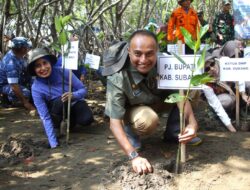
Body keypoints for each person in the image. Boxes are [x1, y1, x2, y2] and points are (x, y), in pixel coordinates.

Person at [103, 30, 200, 175]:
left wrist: (192, 123)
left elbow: (180, 95)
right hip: (135, 110)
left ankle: (175, 133)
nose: (143, 60)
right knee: (147, 120)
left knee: (190, 89)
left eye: (149, 54)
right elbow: (114, 122)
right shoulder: (119, 76)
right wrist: (134, 156)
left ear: (157, 51)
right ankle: (131, 136)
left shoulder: (165, 64)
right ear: (129, 52)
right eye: (137, 54)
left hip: (157, 101)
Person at [28, 48, 94, 148]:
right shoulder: (36, 88)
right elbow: (44, 116)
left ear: (50, 63)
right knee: (60, 101)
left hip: (73, 102)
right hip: (56, 109)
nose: (43, 68)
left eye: (45, 63)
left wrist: (74, 95)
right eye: (38, 66)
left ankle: (70, 123)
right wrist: (53, 142)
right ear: (34, 69)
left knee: (87, 119)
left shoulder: (65, 72)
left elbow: (82, 89)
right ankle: (57, 126)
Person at [202, 40, 250, 132]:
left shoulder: (224, 62)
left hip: (233, 90)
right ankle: (215, 117)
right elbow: (217, 106)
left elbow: (239, 74)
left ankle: (243, 111)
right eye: (207, 68)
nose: (212, 69)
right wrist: (231, 129)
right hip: (222, 97)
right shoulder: (205, 83)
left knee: (248, 83)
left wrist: (243, 93)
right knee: (227, 101)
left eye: (212, 64)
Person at [0, 37, 36, 112]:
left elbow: (26, 69)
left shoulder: (18, 55)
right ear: (22, 49)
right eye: (26, 47)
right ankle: (8, 98)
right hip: (5, 84)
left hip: (18, 79)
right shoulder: (11, 63)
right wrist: (26, 103)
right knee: (26, 93)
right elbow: (14, 86)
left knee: (34, 79)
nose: (27, 49)